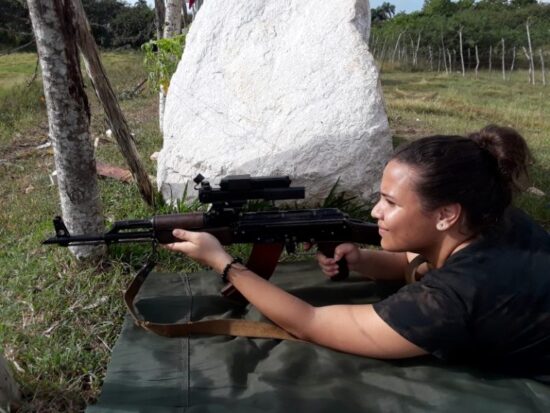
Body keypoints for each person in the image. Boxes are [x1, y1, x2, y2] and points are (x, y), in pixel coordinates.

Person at [164, 125, 550, 377]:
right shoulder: (497, 217)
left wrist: (224, 263)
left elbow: (309, 322)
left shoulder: (448, 300)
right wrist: (366, 260)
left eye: (390, 203)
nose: (374, 212)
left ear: (447, 214)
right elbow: (419, 261)